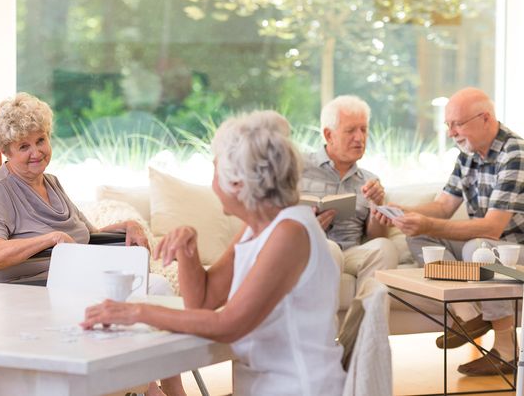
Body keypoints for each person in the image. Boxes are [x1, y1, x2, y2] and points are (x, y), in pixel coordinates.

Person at [81, 110, 347, 395]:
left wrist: (135, 311)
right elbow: (203, 302)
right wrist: (188, 251)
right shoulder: (259, 226)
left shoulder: (289, 233)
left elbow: (228, 325)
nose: (211, 183)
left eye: (215, 169)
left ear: (238, 183)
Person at [0, 92, 185, 396]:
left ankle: (153, 385)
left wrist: (129, 225)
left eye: (41, 140)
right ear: (5, 151)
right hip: (34, 291)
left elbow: (90, 235)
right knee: (157, 290)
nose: (36, 152)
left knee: (157, 288)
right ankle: (157, 388)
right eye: (24, 146)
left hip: (75, 281)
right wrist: (49, 239)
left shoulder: (52, 182)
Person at [375, 87, 524, 376]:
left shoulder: (514, 153)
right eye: (448, 125)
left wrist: (426, 221)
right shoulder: (468, 154)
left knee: (476, 248)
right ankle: (469, 315)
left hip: (513, 252)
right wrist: (401, 212)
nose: (451, 132)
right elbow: (443, 206)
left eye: (457, 123)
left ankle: (506, 350)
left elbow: (493, 228)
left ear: (485, 118)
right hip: (484, 247)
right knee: (418, 235)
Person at [301, 95, 397, 292]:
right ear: (329, 135)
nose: (359, 138)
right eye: (350, 130)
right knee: (330, 248)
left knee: (384, 247)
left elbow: (375, 237)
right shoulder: (299, 168)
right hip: (310, 248)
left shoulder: (370, 181)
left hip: (353, 252)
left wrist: (376, 205)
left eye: (363, 129)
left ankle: (367, 323)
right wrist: (307, 226)